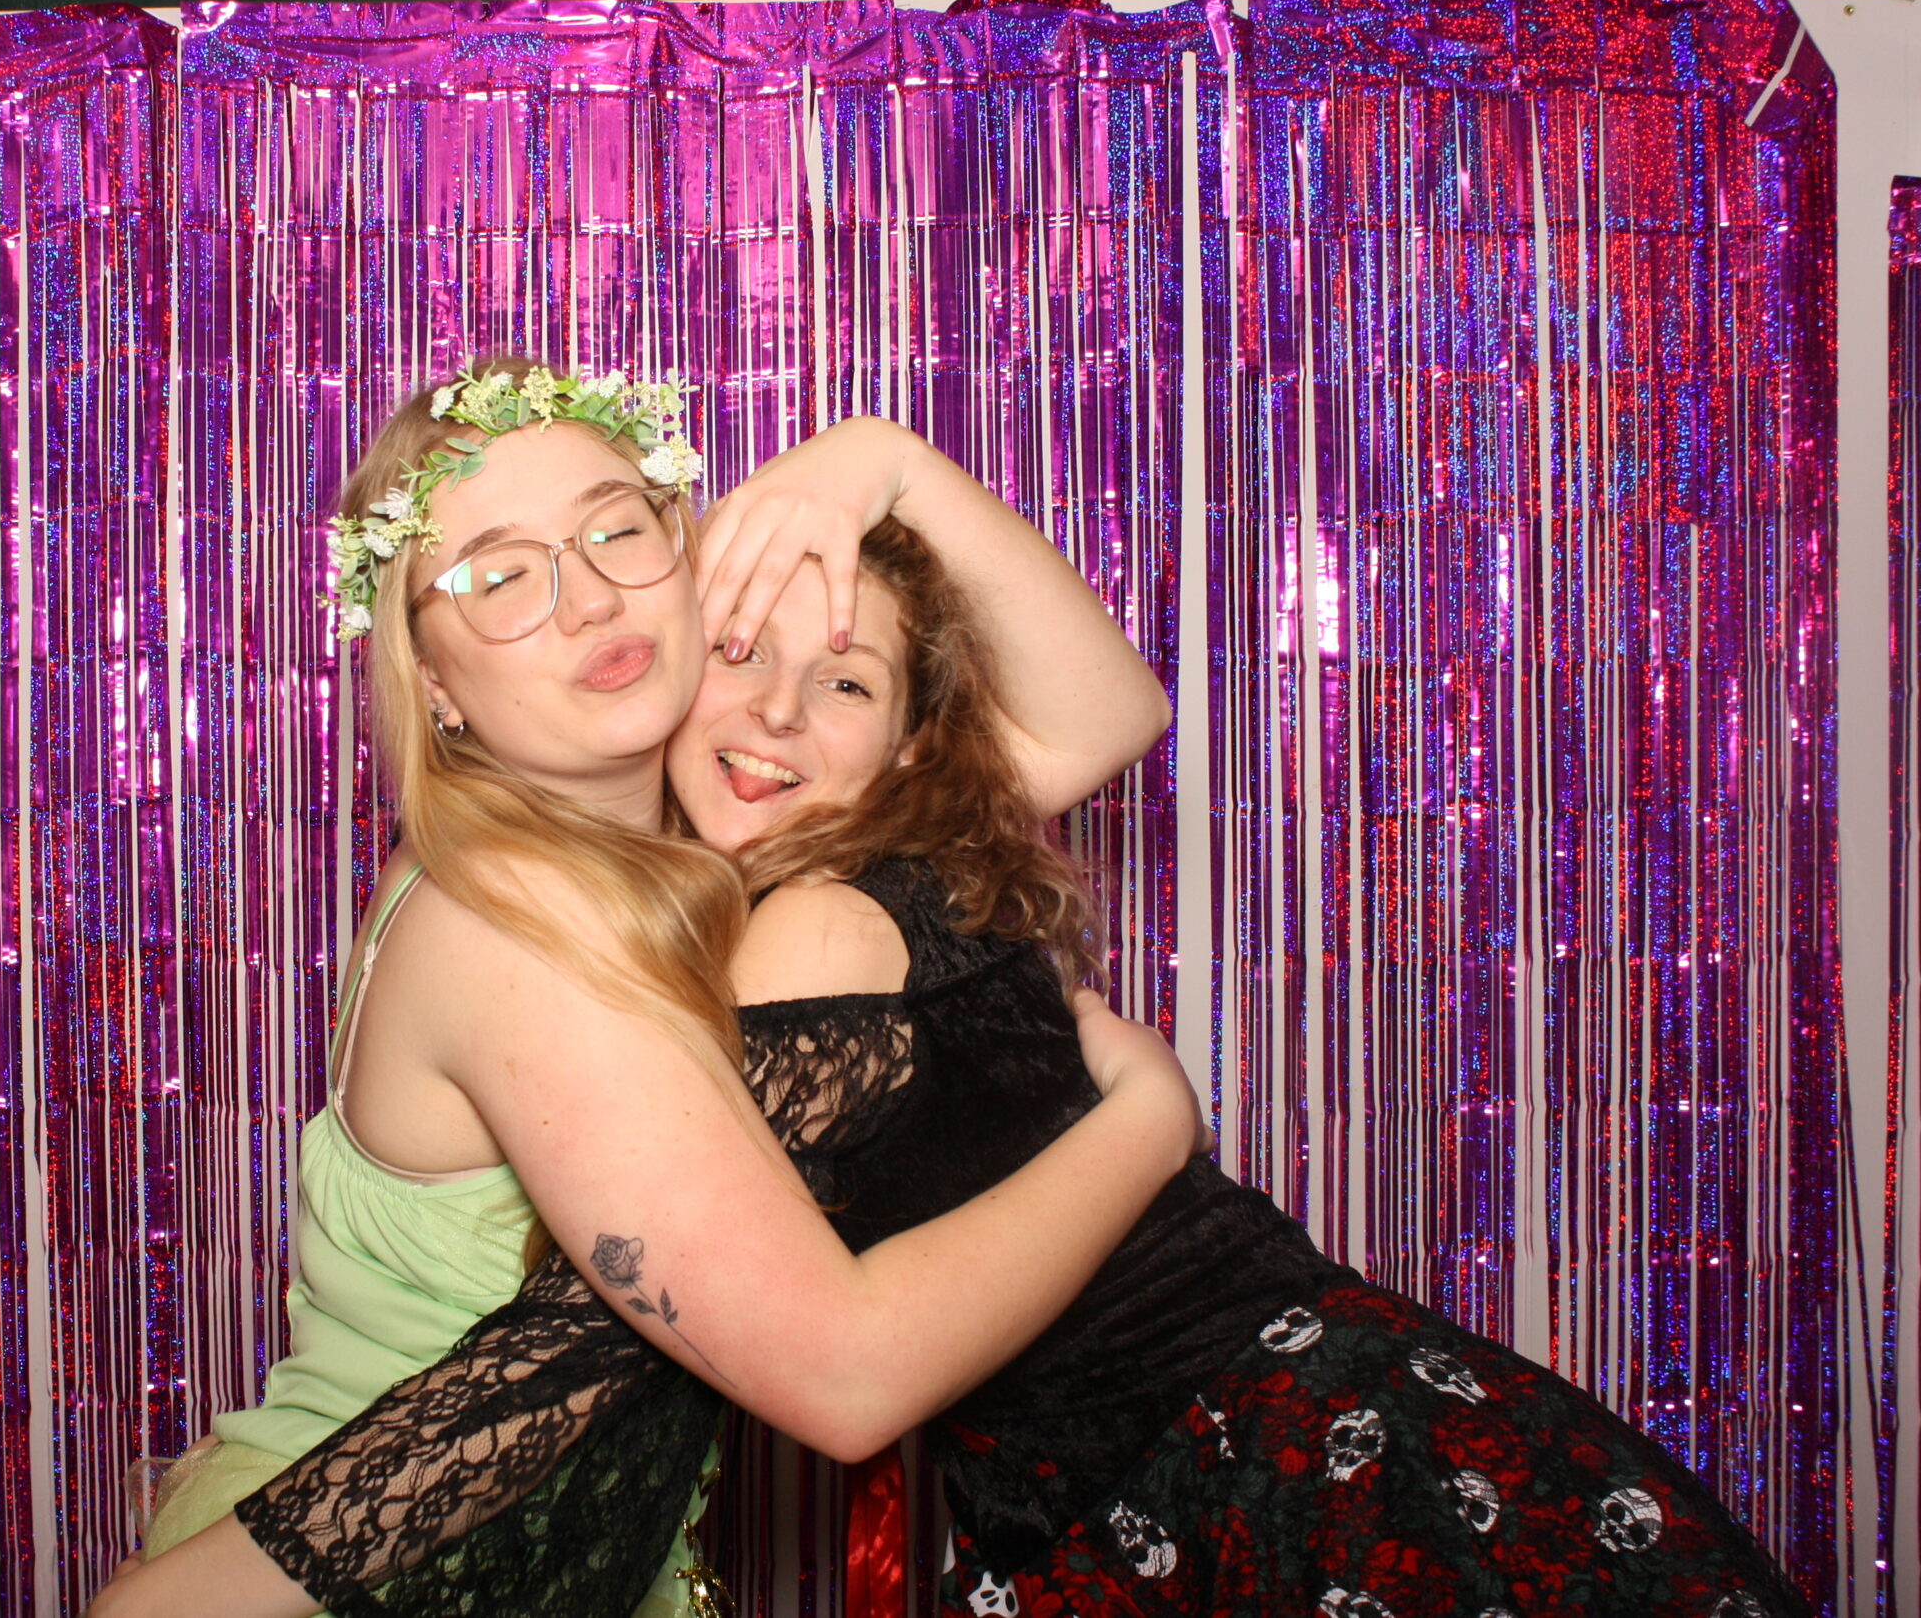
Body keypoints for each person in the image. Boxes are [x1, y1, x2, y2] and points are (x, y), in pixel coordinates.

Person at [157, 487, 1814, 1618]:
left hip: (1265, 1471)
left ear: (905, 746)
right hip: (1252, 1437)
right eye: (737, 652)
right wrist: (1145, 1116)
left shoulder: (809, 928)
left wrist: (873, 459)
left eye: (846, 680)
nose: (777, 715)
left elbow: (618, 1346)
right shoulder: (727, 900)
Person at [82, 358, 1191, 1618]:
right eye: (500, 576)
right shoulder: (517, 919)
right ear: (430, 677)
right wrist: (1148, 1125)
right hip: (373, 1577)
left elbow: (1096, 720)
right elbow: (845, 1377)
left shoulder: (693, 832)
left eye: (616, 531)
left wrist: (885, 463)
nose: (589, 598)